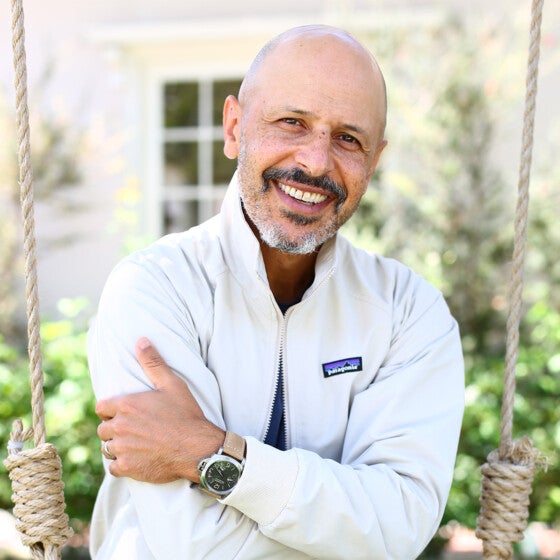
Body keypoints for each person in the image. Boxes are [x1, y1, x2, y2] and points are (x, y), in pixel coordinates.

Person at [89, 24, 465, 559]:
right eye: (292, 122)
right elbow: (192, 546)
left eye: (348, 138)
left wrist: (209, 452)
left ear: (373, 161)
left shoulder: (409, 311)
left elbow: (400, 526)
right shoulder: (155, 288)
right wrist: (349, 531)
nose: (315, 161)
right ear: (234, 127)